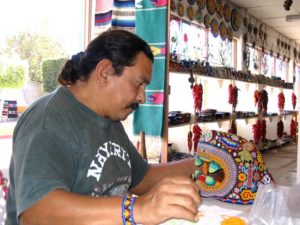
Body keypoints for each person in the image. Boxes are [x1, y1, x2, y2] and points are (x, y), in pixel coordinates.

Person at [5, 29, 201, 225]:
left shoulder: (110, 121)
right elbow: (37, 211)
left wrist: (203, 163)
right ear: (105, 72)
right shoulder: (47, 120)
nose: (142, 96)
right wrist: (137, 209)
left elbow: (142, 177)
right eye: (139, 83)